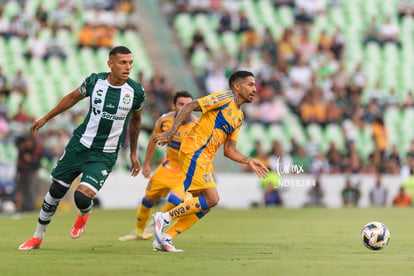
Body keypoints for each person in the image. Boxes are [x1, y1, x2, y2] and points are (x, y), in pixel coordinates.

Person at [18, 46, 146, 250]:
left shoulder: (136, 92)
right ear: (110, 64)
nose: (128, 67)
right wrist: (46, 118)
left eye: (130, 62)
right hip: (80, 145)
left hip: (105, 153)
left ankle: (85, 213)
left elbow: (136, 122)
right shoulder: (95, 82)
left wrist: (133, 153)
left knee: (81, 196)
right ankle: (37, 236)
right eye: (123, 62)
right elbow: (71, 98)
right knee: (56, 190)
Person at [152, 71, 269, 252]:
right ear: (237, 86)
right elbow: (189, 106)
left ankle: (167, 237)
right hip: (194, 151)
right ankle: (164, 217)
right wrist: (170, 132)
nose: (255, 89)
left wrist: (249, 161)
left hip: (205, 158)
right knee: (212, 199)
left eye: (255, 85)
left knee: (204, 205)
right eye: (250, 84)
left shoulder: (239, 116)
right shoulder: (224, 97)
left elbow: (229, 150)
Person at [118, 91, 197, 242]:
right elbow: (153, 140)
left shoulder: (197, 125)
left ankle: (156, 222)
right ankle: (138, 232)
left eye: (189, 105)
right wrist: (146, 163)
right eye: (182, 104)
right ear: (173, 105)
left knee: (175, 200)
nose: (186, 108)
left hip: (185, 172)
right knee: (147, 200)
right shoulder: (164, 120)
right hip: (166, 168)